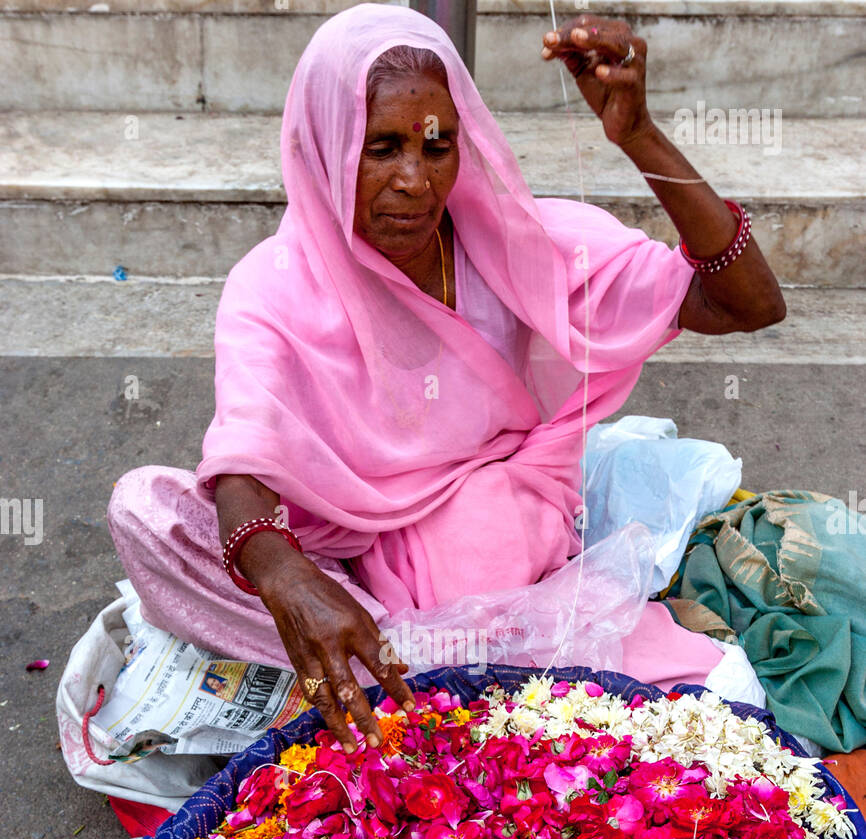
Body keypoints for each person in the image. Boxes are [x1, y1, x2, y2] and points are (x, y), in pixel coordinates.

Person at [108, 4, 786, 757]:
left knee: (476, 554)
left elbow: (749, 303)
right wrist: (290, 580)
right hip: (327, 544)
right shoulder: (271, 285)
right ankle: (406, 647)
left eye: (438, 147)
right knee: (145, 510)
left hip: (480, 518)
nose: (414, 181)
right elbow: (241, 465)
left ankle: (397, 656)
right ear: (327, 147)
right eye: (382, 148)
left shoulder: (514, 244)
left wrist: (639, 135)